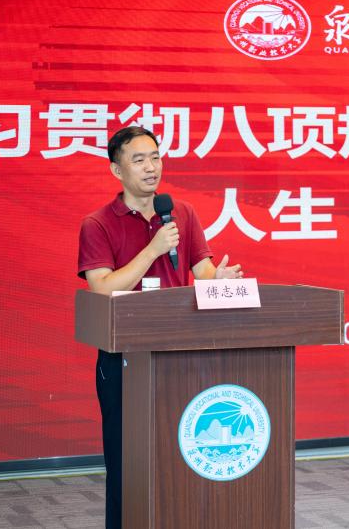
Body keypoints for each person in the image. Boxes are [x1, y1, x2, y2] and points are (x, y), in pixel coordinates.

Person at [77, 126, 243, 529]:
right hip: (124, 359)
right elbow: (102, 288)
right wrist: (152, 250)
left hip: (177, 353)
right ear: (117, 171)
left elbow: (202, 271)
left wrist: (217, 279)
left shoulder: (181, 213)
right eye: (139, 160)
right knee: (128, 460)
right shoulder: (97, 223)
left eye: (155, 157)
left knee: (179, 452)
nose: (151, 167)